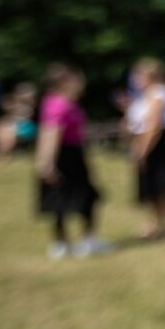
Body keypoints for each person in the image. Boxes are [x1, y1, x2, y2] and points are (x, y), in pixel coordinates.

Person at [35, 64, 110, 259]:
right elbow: (50, 133)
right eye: (78, 80)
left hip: (73, 153)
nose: (82, 84)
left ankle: (84, 240)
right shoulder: (59, 104)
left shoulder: (67, 103)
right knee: (61, 198)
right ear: (65, 82)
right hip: (64, 156)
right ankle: (63, 244)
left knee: (85, 196)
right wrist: (47, 163)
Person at [126, 58, 165, 238]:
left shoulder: (159, 94)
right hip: (152, 141)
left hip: (159, 144)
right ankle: (157, 223)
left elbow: (154, 124)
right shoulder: (148, 95)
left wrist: (143, 150)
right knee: (155, 187)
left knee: (161, 185)